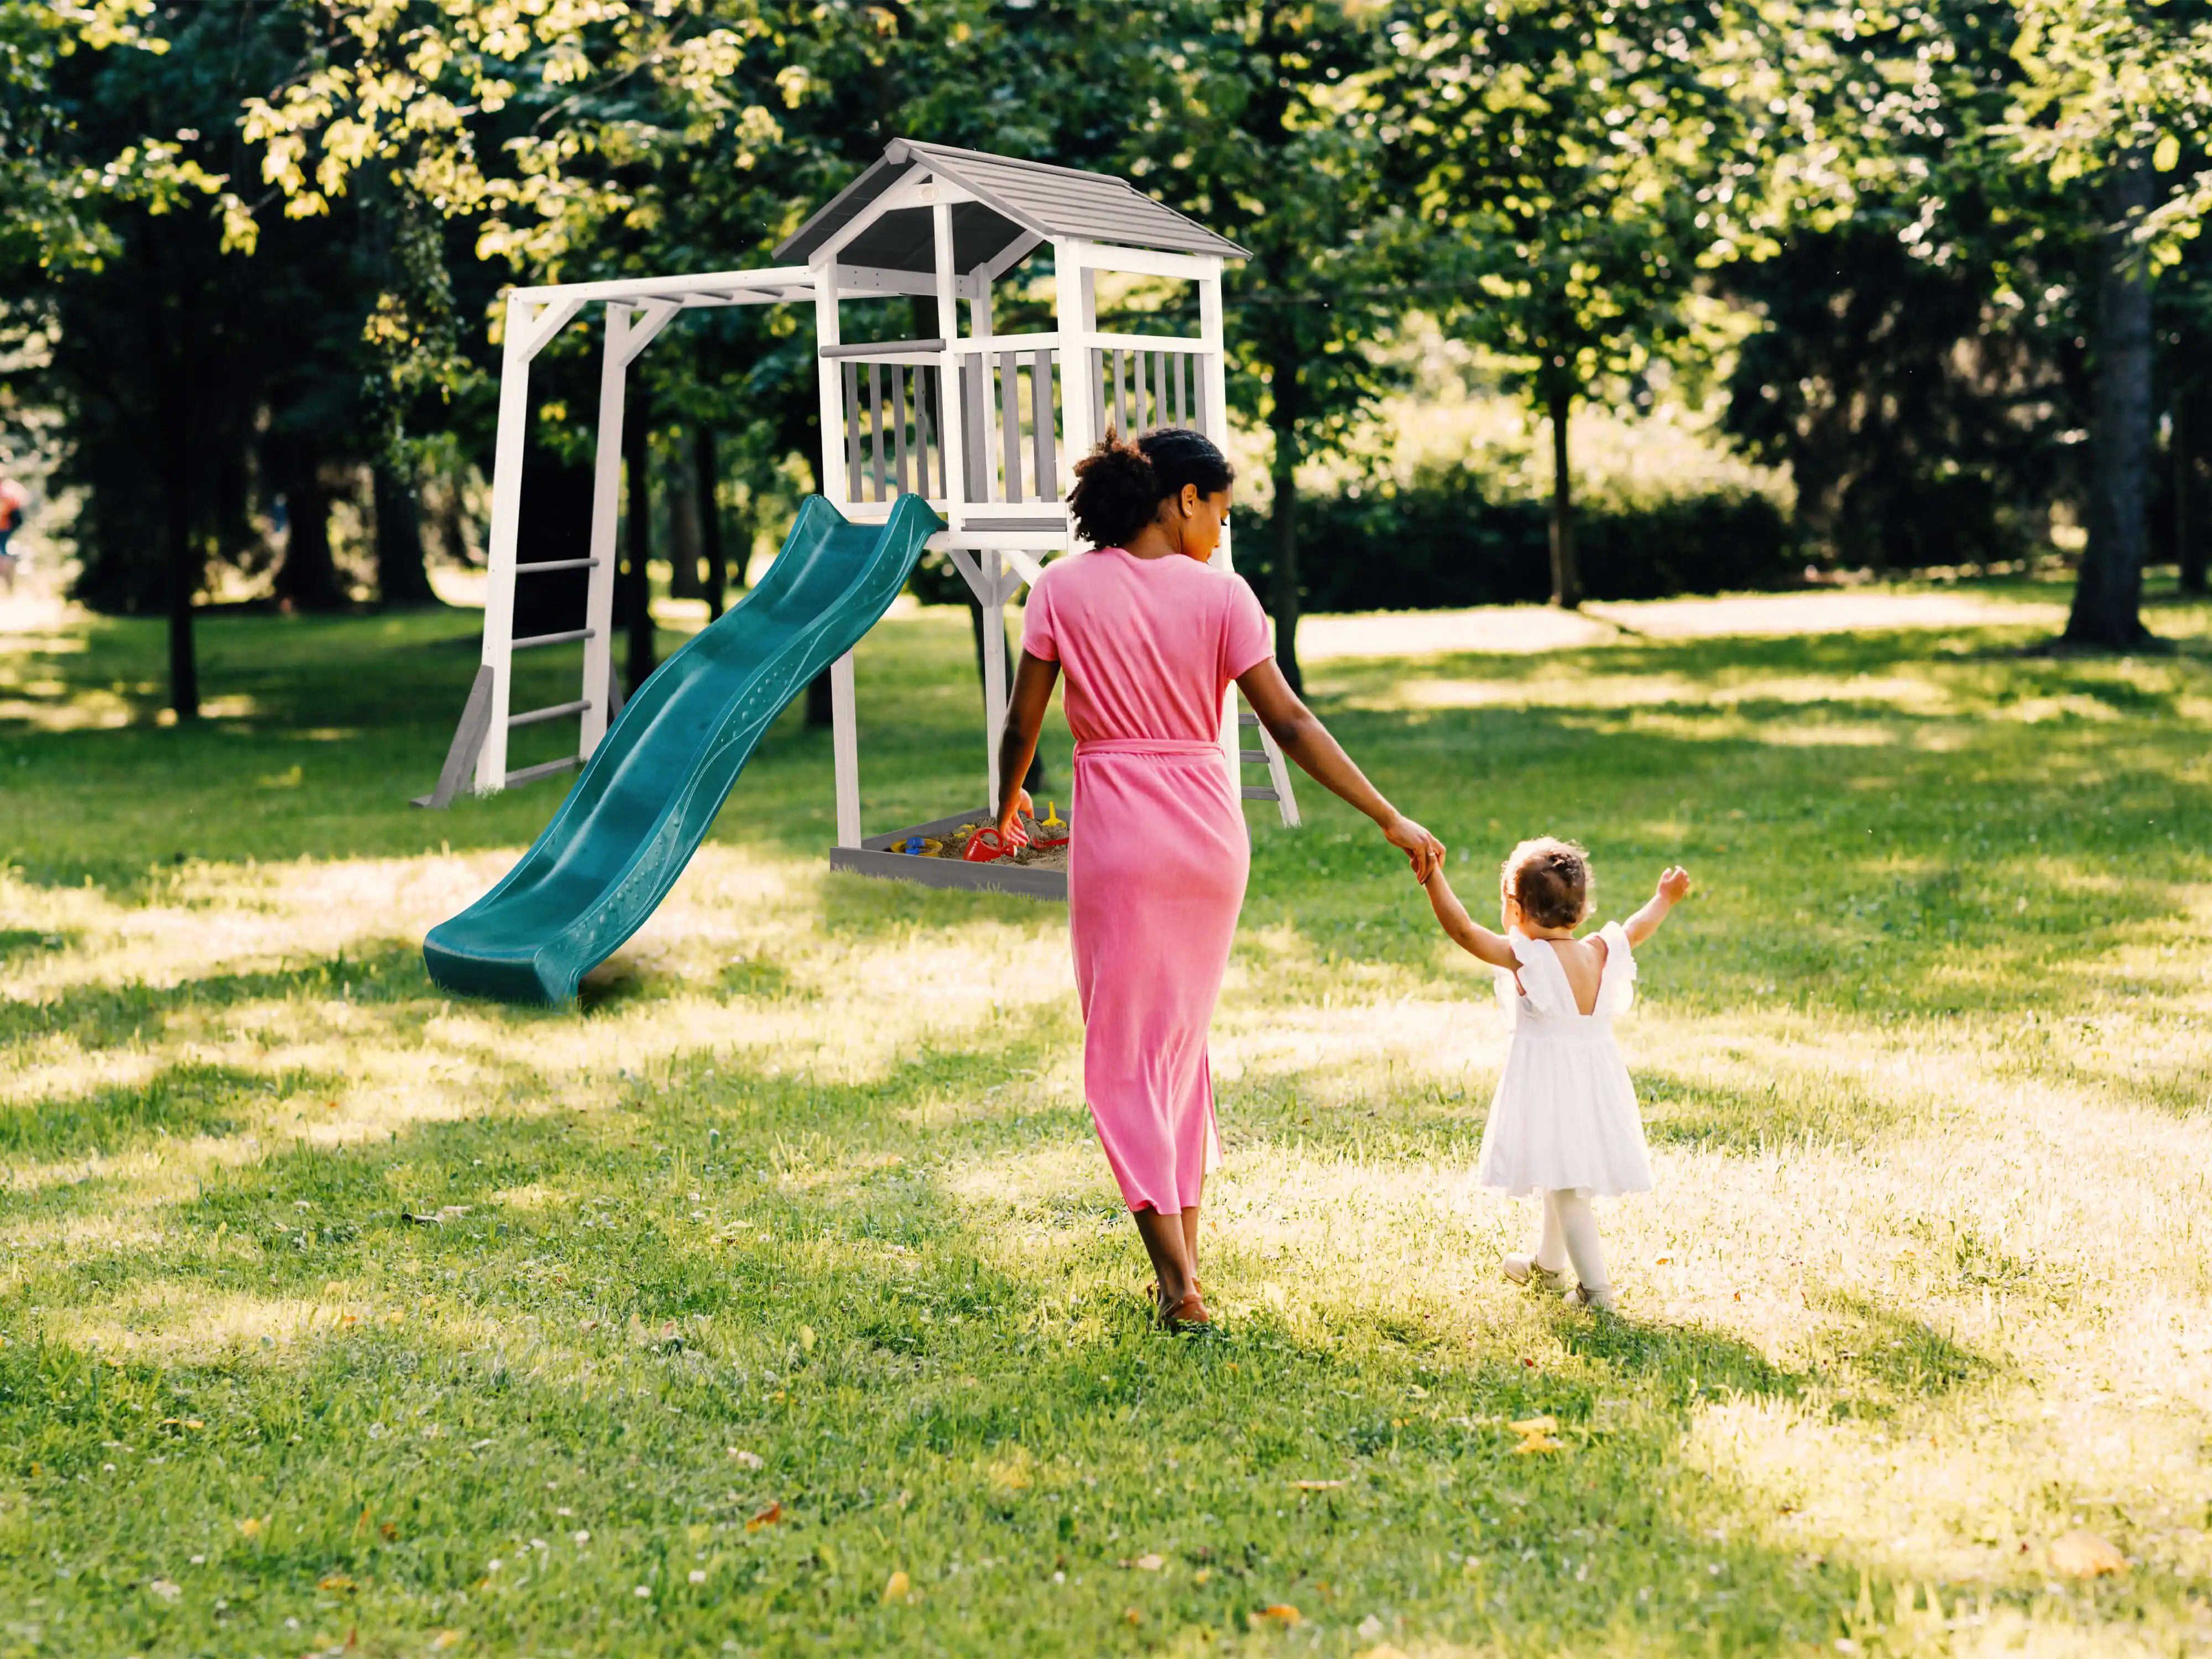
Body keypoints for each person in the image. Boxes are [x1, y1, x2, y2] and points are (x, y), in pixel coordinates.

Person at [992, 427, 1445, 1330]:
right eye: (1222, 512)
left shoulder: (1059, 589)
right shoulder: (1224, 598)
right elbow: (1291, 723)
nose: (1222, 532)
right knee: (1177, 1050)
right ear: (1183, 499)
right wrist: (1387, 814)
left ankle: (1177, 1284)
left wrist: (1003, 807)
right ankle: (1185, 1269)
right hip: (1208, 836)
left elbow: (1022, 724)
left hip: (1119, 836)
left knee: (1124, 1056)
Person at [1417, 838, 1692, 1312]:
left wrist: (1432, 876)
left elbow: (1462, 931)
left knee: (1566, 1188)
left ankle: (1596, 1292)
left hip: (1550, 1085)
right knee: (1558, 1170)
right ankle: (1547, 1267)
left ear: (1515, 908)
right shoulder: (1600, 951)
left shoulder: (1528, 959)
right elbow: (1637, 927)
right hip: (1594, 1082)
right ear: (1582, 911)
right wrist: (1664, 899)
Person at [0, 476, 27, 595]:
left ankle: (8, 582)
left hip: (3, 527)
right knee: (4, 552)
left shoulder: (4, 493)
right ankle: (9, 584)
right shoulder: (10, 490)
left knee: (3, 554)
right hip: (7, 527)